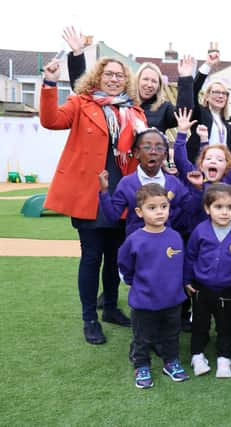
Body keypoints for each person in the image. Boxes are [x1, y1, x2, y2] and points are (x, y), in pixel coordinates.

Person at [40, 55, 147, 344]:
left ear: (126, 81)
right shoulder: (80, 103)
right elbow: (50, 120)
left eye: (119, 75)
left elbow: (143, 150)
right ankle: (90, 318)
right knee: (91, 257)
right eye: (108, 74)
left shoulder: (135, 112)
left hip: (121, 193)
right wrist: (50, 82)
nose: (114, 79)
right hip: (88, 194)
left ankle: (110, 308)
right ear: (97, 78)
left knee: (115, 258)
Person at [117, 183, 190, 389]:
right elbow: (124, 264)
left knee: (171, 335)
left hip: (173, 301)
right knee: (142, 337)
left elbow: (181, 264)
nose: (159, 212)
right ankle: (141, 365)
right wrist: (135, 283)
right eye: (152, 208)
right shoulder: (135, 240)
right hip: (144, 302)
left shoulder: (175, 237)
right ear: (139, 212)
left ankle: (171, 362)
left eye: (164, 206)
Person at [63, 26, 194, 133]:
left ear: (159, 86)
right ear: (136, 81)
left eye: (154, 81)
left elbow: (184, 114)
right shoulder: (119, 100)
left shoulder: (163, 108)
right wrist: (78, 53)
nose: (149, 84)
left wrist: (186, 77)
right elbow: (82, 88)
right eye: (145, 79)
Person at [184, 183, 231, 377]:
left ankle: (224, 359)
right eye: (218, 207)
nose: (224, 212)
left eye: (229, 207)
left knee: (225, 326)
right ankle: (197, 356)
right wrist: (187, 280)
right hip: (201, 289)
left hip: (228, 291)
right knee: (199, 325)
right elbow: (190, 256)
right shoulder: (200, 231)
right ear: (207, 208)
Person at [97, 128, 200, 236]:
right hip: (137, 245)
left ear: (165, 155)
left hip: (166, 244)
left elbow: (192, 208)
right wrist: (104, 192)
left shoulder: (173, 183)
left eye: (159, 148)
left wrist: (197, 188)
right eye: (147, 147)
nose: (153, 152)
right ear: (136, 153)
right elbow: (113, 216)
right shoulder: (127, 183)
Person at [186, 50, 231, 162]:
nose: (220, 96)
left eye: (224, 93)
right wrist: (208, 65)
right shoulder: (199, 114)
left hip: (224, 170)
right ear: (207, 97)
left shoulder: (229, 123)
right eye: (216, 92)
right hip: (200, 168)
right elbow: (192, 91)